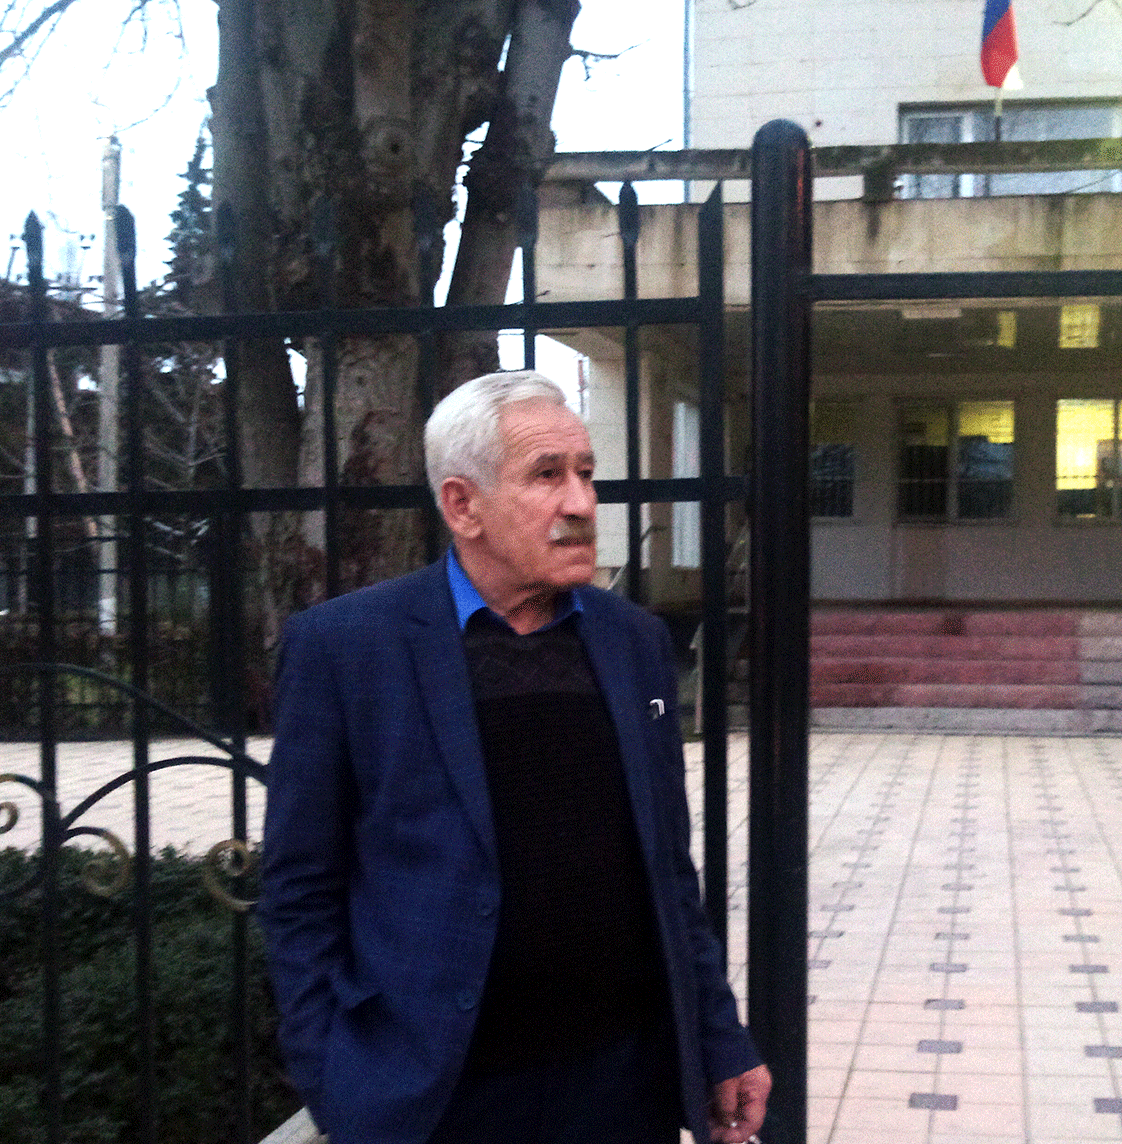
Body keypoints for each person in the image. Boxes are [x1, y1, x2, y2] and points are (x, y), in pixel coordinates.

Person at [259, 372, 770, 1144]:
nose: (581, 502)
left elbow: (668, 867)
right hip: (440, 1100)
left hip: (620, 1087)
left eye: (586, 472)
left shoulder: (632, 641)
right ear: (462, 505)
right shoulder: (346, 647)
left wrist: (720, 1037)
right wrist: (335, 1074)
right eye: (546, 475)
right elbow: (300, 886)